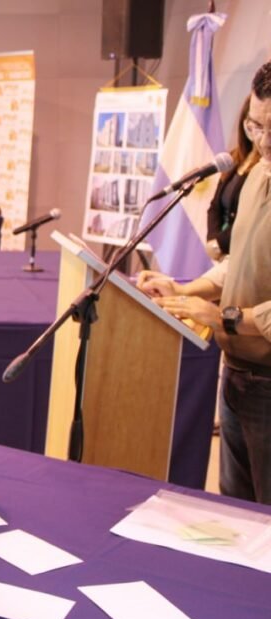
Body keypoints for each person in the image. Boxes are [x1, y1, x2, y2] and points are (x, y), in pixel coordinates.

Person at [137, 62, 271, 505]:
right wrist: (184, 289)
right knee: (239, 513)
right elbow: (239, 261)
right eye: (255, 124)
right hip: (237, 373)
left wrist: (223, 318)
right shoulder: (255, 177)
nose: (262, 141)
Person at [206, 97, 260, 260]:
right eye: (249, 120)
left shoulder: (264, 167)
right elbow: (215, 206)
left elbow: (251, 217)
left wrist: (220, 244)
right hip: (221, 255)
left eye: (258, 124)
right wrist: (212, 240)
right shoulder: (233, 158)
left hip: (243, 253)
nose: (252, 127)